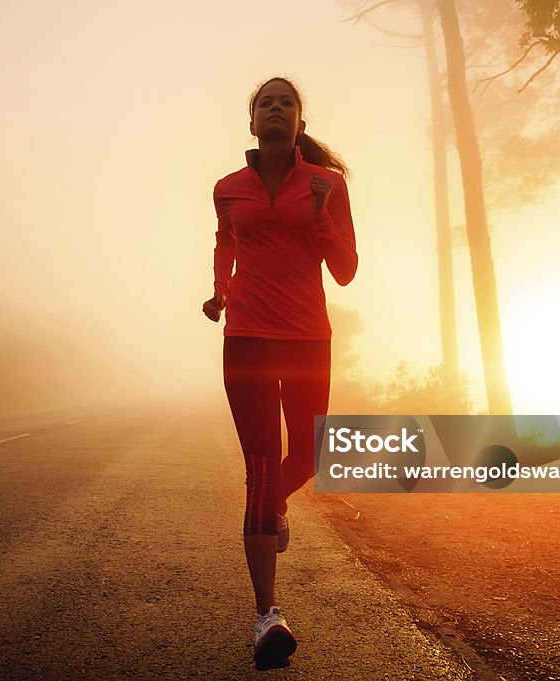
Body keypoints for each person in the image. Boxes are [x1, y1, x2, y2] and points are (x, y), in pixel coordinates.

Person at [202, 76, 358, 669]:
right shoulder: (227, 189)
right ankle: (267, 615)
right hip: (245, 339)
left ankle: (275, 510)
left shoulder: (328, 185)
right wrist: (220, 291)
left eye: (285, 102)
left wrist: (320, 218)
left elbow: (344, 269)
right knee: (263, 469)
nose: (274, 109)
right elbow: (225, 245)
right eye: (264, 102)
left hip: (306, 338)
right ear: (252, 122)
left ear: (298, 121)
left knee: (311, 456)